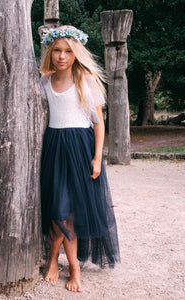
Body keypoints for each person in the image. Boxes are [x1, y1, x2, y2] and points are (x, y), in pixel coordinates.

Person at [40, 25, 120, 293]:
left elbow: (98, 124)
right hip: (54, 149)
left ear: (76, 54)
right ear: (50, 53)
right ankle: (53, 259)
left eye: (68, 51)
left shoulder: (85, 79)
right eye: (57, 51)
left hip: (79, 149)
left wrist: (97, 158)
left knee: (68, 213)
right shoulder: (44, 81)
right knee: (57, 211)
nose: (62, 56)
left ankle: (71, 267)